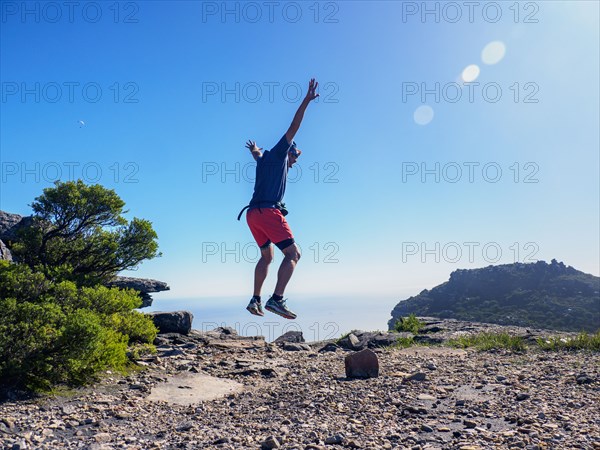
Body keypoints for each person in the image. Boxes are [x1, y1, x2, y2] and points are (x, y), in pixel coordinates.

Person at [239, 78, 319, 319]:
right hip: (268, 212)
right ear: (289, 152)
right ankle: (277, 299)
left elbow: (257, 154)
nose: (295, 161)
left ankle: (255, 300)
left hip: (252, 214)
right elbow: (294, 126)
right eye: (295, 157)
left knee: (267, 256)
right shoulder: (279, 154)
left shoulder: (264, 160)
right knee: (293, 254)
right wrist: (306, 100)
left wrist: (254, 148)